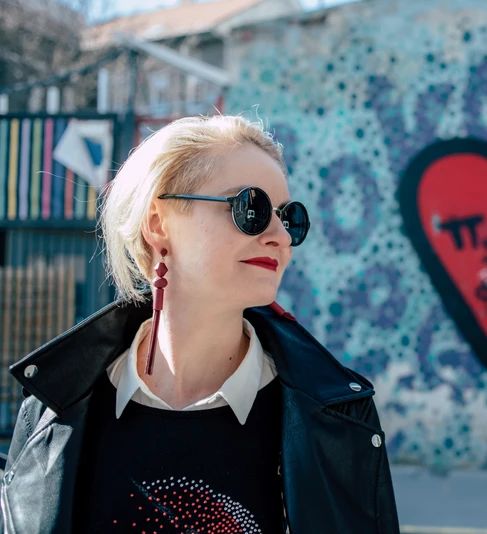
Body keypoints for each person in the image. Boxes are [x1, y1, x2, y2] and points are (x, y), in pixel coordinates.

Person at [0, 115, 400, 533]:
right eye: (251, 208)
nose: (280, 236)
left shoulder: (337, 420)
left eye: (288, 217)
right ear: (159, 224)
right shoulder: (53, 412)